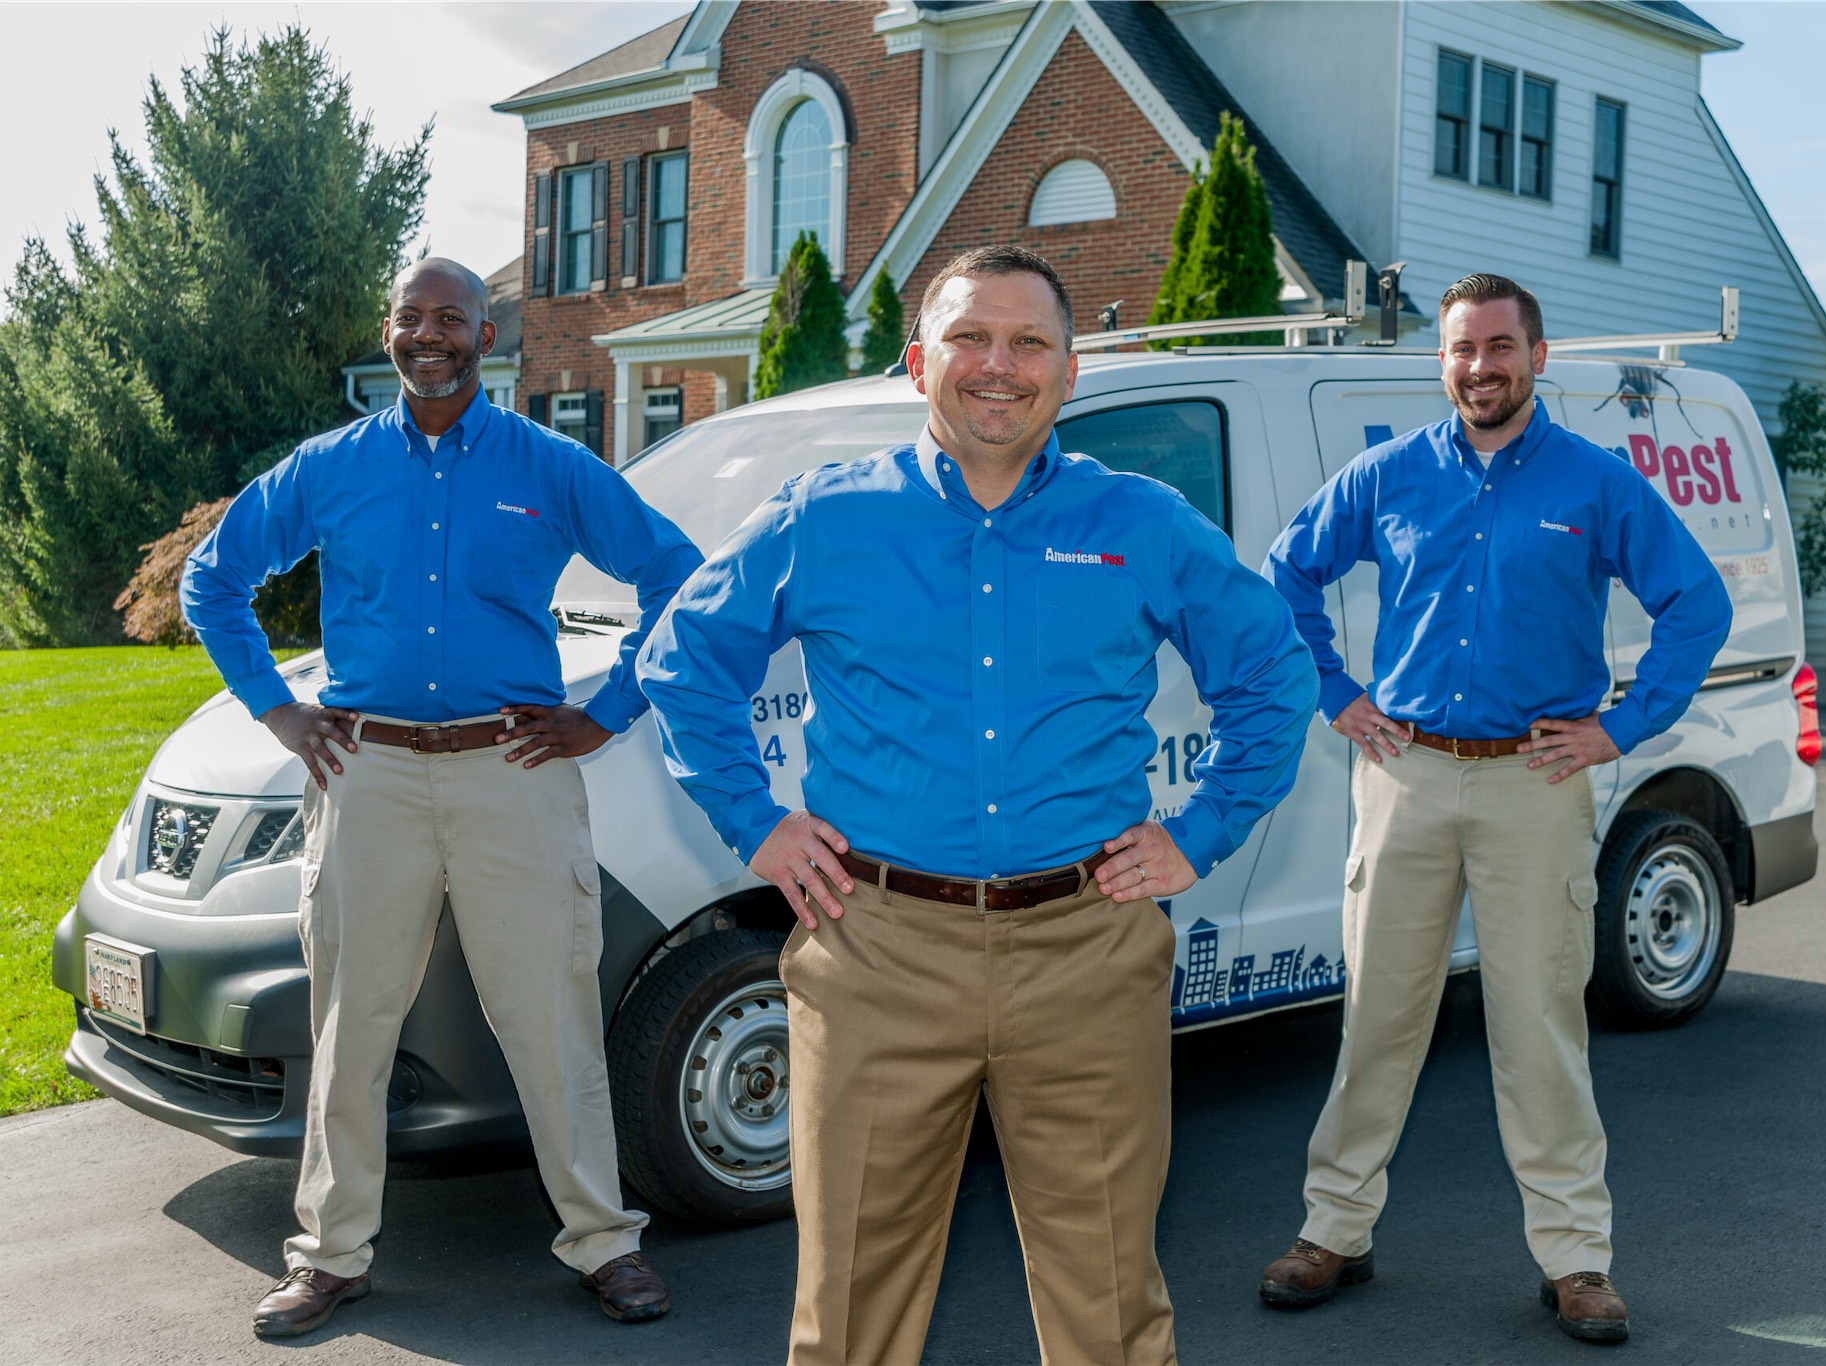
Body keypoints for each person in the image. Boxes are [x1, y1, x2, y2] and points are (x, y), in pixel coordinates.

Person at [638, 244, 1317, 1365]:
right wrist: (755, 824)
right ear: (919, 362)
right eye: (968, 337)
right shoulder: (825, 517)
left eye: (1028, 342)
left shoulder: (1140, 522)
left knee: (1108, 1303)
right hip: (876, 953)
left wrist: (1197, 834)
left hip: (1085, 951)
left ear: (1069, 370)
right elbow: (681, 662)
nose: (996, 366)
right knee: (850, 1308)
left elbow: (1273, 674)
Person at [181, 257, 701, 1338]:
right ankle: (330, 1255)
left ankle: (604, 1242)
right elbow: (213, 579)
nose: (430, 334)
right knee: (351, 1018)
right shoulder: (327, 468)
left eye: (451, 319)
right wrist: (278, 710)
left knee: (550, 1016)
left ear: (484, 334)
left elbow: (681, 578)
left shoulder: (546, 464)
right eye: (413, 318)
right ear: (390, 331)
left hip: (511, 772)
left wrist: (606, 713)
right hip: (364, 776)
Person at [1255, 273, 1733, 1343]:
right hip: (1406, 775)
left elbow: (1693, 604)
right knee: (1379, 1014)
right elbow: (1282, 574)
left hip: (1536, 781)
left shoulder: (1594, 484)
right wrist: (1334, 692)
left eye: (1499, 347)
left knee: (1538, 1023)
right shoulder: (1385, 476)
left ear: (1537, 354)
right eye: (1462, 349)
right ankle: (1333, 1229)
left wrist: (1618, 725)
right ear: (1441, 361)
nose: (1481, 367)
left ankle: (1574, 1259)